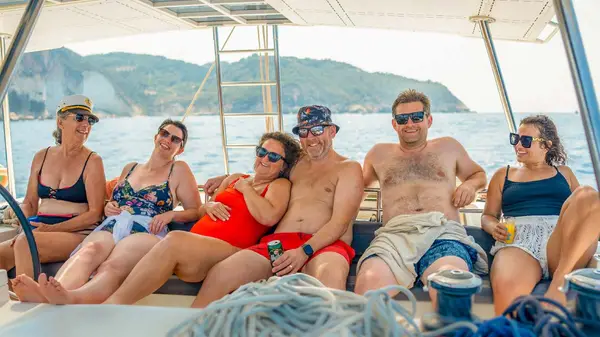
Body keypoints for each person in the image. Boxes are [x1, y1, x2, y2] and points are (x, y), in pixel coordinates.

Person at [186, 105, 363, 308]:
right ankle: (192, 326)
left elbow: (339, 223)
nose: (311, 138)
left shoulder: (349, 168)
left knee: (330, 281)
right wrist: (227, 178)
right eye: (304, 132)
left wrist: (304, 251)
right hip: (279, 243)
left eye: (317, 130)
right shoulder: (296, 164)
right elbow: (265, 169)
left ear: (332, 131)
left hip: (325, 245)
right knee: (221, 273)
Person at [11, 119, 202, 304]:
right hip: (112, 223)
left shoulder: (179, 170)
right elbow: (111, 201)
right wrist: (108, 206)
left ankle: (72, 298)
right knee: (89, 252)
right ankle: (53, 293)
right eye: (164, 133)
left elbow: (195, 211)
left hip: (147, 227)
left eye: (175, 139)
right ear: (156, 136)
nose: (167, 140)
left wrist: (170, 215)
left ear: (181, 149)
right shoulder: (130, 168)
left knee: (112, 265)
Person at [102, 132, 302, 305]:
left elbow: (268, 217)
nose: (264, 159)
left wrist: (247, 189)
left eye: (274, 156)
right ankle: (111, 300)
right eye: (261, 152)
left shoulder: (279, 185)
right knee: (144, 246)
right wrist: (209, 205)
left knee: (175, 239)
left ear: (283, 166)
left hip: (230, 250)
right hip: (197, 248)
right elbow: (199, 213)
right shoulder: (235, 179)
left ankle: (115, 303)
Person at [354, 89, 489, 305]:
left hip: (442, 233)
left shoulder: (449, 147)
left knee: (450, 286)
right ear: (394, 124)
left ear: (429, 119)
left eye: (417, 117)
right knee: (367, 287)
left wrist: (470, 186)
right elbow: (354, 188)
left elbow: (479, 174)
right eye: (402, 118)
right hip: (394, 236)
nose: (410, 123)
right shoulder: (378, 154)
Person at [481, 114, 600, 314]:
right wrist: (494, 226)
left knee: (589, 195)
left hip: (561, 243)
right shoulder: (504, 174)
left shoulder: (565, 173)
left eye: (526, 140)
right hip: (520, 241)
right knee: (507, 285)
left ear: (546, 145)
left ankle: (559, 283)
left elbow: (585, 211)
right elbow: (487, 216)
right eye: (515, 139)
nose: (518, 145)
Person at [0, 95, 105, 279]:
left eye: (90, 120)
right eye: (79, 118)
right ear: (60, 122)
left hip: (76, 233)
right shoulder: (41, 156)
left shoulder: (93, 161)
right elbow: (30, 203)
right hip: (39, 228)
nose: (85, 124)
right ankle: (13, 301)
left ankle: (29, 301)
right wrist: (22, 223)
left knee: (25, 244)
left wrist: (51, 230)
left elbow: (95, 214)